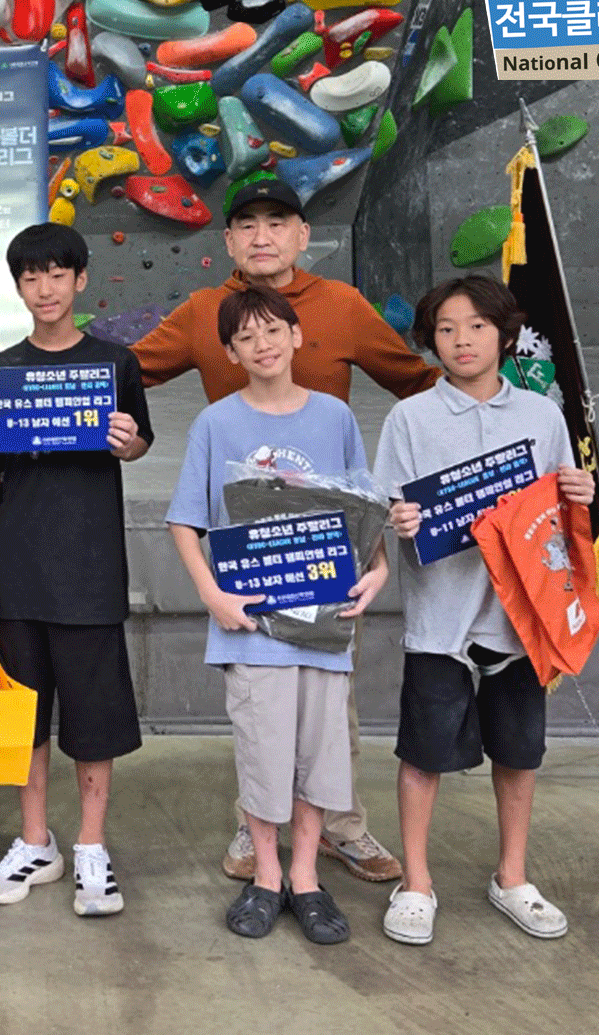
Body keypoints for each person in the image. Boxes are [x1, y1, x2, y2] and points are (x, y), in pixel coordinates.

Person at [133, 175, 432, 885]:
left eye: (278, 222)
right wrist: (34, 385)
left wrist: (502, 415)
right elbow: (126, 370)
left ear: (303, 235)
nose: (262, 236)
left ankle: (342, 826)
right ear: (228, 240)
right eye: (247, 224)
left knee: (331, 701)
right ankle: (255, 821)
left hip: (327, 552)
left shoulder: (343, 305)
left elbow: (416, 384)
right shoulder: (205, 312)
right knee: (258, 708)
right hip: (249, 553)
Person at [373, 275, 594, 947]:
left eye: (475, 327)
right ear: (429, 341)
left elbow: (558, 511)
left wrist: (579, 491)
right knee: (423, 754)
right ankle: (416, 884)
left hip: (521, 620)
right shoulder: (410, 418)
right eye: (445, 329)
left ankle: (512, 877)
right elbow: (382, 506)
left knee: (519, 752)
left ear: (504, 335)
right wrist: (397, 518)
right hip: (439, 619)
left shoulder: (541, 416)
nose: (461, 340)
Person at [165, 286, 390, 945]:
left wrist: (377, 570)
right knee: (263, 757)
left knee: (321, 757)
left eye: (272, 330)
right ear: (231, 354)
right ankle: (267, 878)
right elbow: (184, 520)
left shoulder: (334, 417)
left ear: (296, 336)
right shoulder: (216, 424)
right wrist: (213, 594)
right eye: (245, 337)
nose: (261, 345)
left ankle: (307, 878)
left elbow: (362, 511)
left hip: (324, 625)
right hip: (253, 628)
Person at [0, 223, 153, 917]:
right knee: (25, 718)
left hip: (91, 572)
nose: (45, 288)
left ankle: (91, 846)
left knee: (94, 719)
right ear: (18, 287)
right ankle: (35, 840)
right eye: (31, 277)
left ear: (80, 280)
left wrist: (128, 444)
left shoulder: (114, 364)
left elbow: (136, 442)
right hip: (17, 574)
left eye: (57, 274)